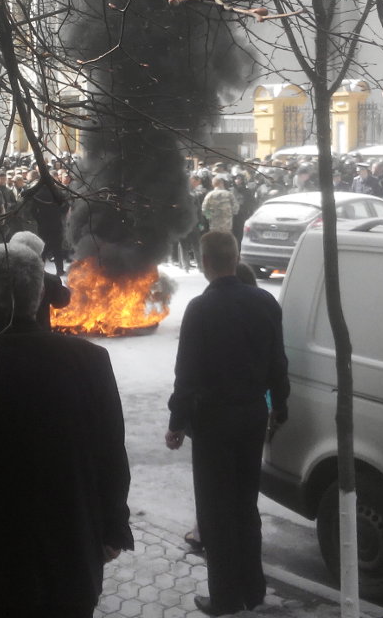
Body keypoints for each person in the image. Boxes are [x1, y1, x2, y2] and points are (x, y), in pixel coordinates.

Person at [0, 242, 134, 618]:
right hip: (69, 565)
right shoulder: (90, 363)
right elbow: (111, 455)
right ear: (38, 295)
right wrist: (112, 528)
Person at [165, 231, 289, 616]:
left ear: (204, 264)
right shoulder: (265, 301)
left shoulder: (200, 309)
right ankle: (254, 590)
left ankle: (224, 598)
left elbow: (186, 375)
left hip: (214, 421)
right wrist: (279, 407)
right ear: (235, 257)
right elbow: (278, 364)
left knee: (216, 512)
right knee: (245, 504)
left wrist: (177, 423)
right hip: (252, 415)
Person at [8, 231, 71, 330]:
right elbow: (60, 302)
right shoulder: (48, 280)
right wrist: (66, 291)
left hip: (4, 337)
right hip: (39, 334)